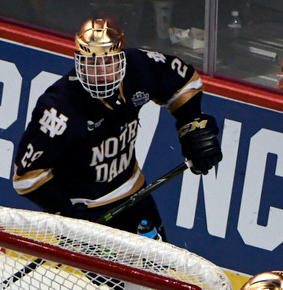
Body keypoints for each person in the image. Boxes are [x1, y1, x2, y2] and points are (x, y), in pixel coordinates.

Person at [12, 17, 222, 240]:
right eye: (92, 63)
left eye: (109, 61)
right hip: (88, 215)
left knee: (158, 274)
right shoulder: (59, 108)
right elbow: (27, 175)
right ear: (79, 62)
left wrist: (191, 125)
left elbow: (184, 80)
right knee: (115, 277)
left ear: (121, 58)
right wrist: (63, 210)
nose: (101, 72)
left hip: (135, 193)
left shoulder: (138, 66)